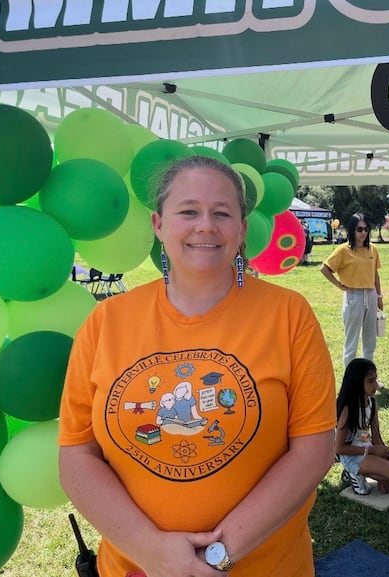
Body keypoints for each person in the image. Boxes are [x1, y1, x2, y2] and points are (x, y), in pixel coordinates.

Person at [58, 156, 337, 577]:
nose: (205, 225)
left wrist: (216, 557)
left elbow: (313, 451)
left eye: (222, 213)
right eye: (188, 211)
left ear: (242, 229)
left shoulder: (288, 314)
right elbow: (77, 454)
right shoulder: (105, 322)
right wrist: (151, 552)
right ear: (158, 224)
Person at [335, 358, 389, 496]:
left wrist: (384, 454)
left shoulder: (372, 402)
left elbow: (376, 434)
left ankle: (380, 476)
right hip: (352, 455)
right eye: (370, 381)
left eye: (375, 380)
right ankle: (353, 472)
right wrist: (372, 451)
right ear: (357, 383)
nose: (375, 385)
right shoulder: (348, 409)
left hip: (367, 449)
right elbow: (339, 448)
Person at [320, 213, 383, 369]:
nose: (363, 233)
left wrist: (379, 296)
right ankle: (350, 380)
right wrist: (339, 285)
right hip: (354, 296)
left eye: (366, 229)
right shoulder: (343, 250)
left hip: (371, 294)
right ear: (352, 230)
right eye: (359, 229)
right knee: (352, 341)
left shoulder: (372, 249)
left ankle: (368, 377)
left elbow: (375, 274)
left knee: (370, 340)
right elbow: (325, 268)